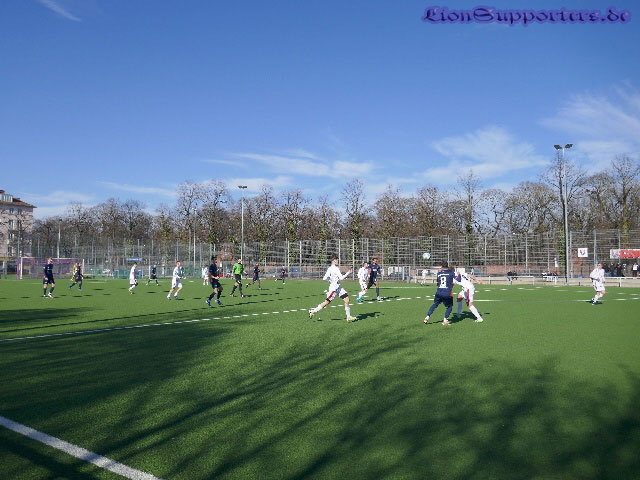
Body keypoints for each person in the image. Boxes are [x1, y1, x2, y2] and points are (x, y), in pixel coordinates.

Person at [309, 255, 356, 322]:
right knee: (327, 302)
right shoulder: (335, 268)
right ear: (334, 261)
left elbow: (324, 278)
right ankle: (313, 311)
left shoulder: (330, 268)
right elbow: (341, 278)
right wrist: (348, 272)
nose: (338, 261)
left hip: (338, 287)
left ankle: (348, 317)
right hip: (334, 289)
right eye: (337, 260)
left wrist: (330, 280)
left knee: (347, 300)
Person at [424, 262, 457, 326]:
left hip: (439, 292)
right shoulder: (451, 273)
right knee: (450, 306)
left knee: (435, 304)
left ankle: (427, 317)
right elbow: (458, 279)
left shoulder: (439, 274)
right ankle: (445, 320)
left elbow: (438, 283)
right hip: (447, 293)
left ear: (442, 267)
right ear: (447, 266)